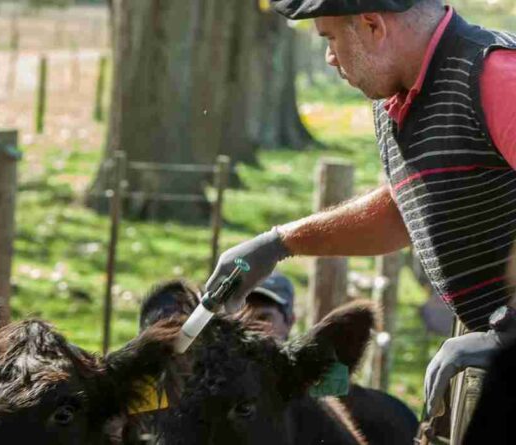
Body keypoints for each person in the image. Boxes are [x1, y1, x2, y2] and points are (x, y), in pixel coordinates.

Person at [207, 0, 516, 420]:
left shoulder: (495, 76)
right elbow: (408, 209)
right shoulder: (398, 99)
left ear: (372, 25)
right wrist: (278, 244)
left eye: (331, 38)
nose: (329, 57)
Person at [235, 272, 419, 445]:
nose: (251, 327)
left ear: (289, 320)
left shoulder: (384, 419)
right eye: (240, 318)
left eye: (263, 317)